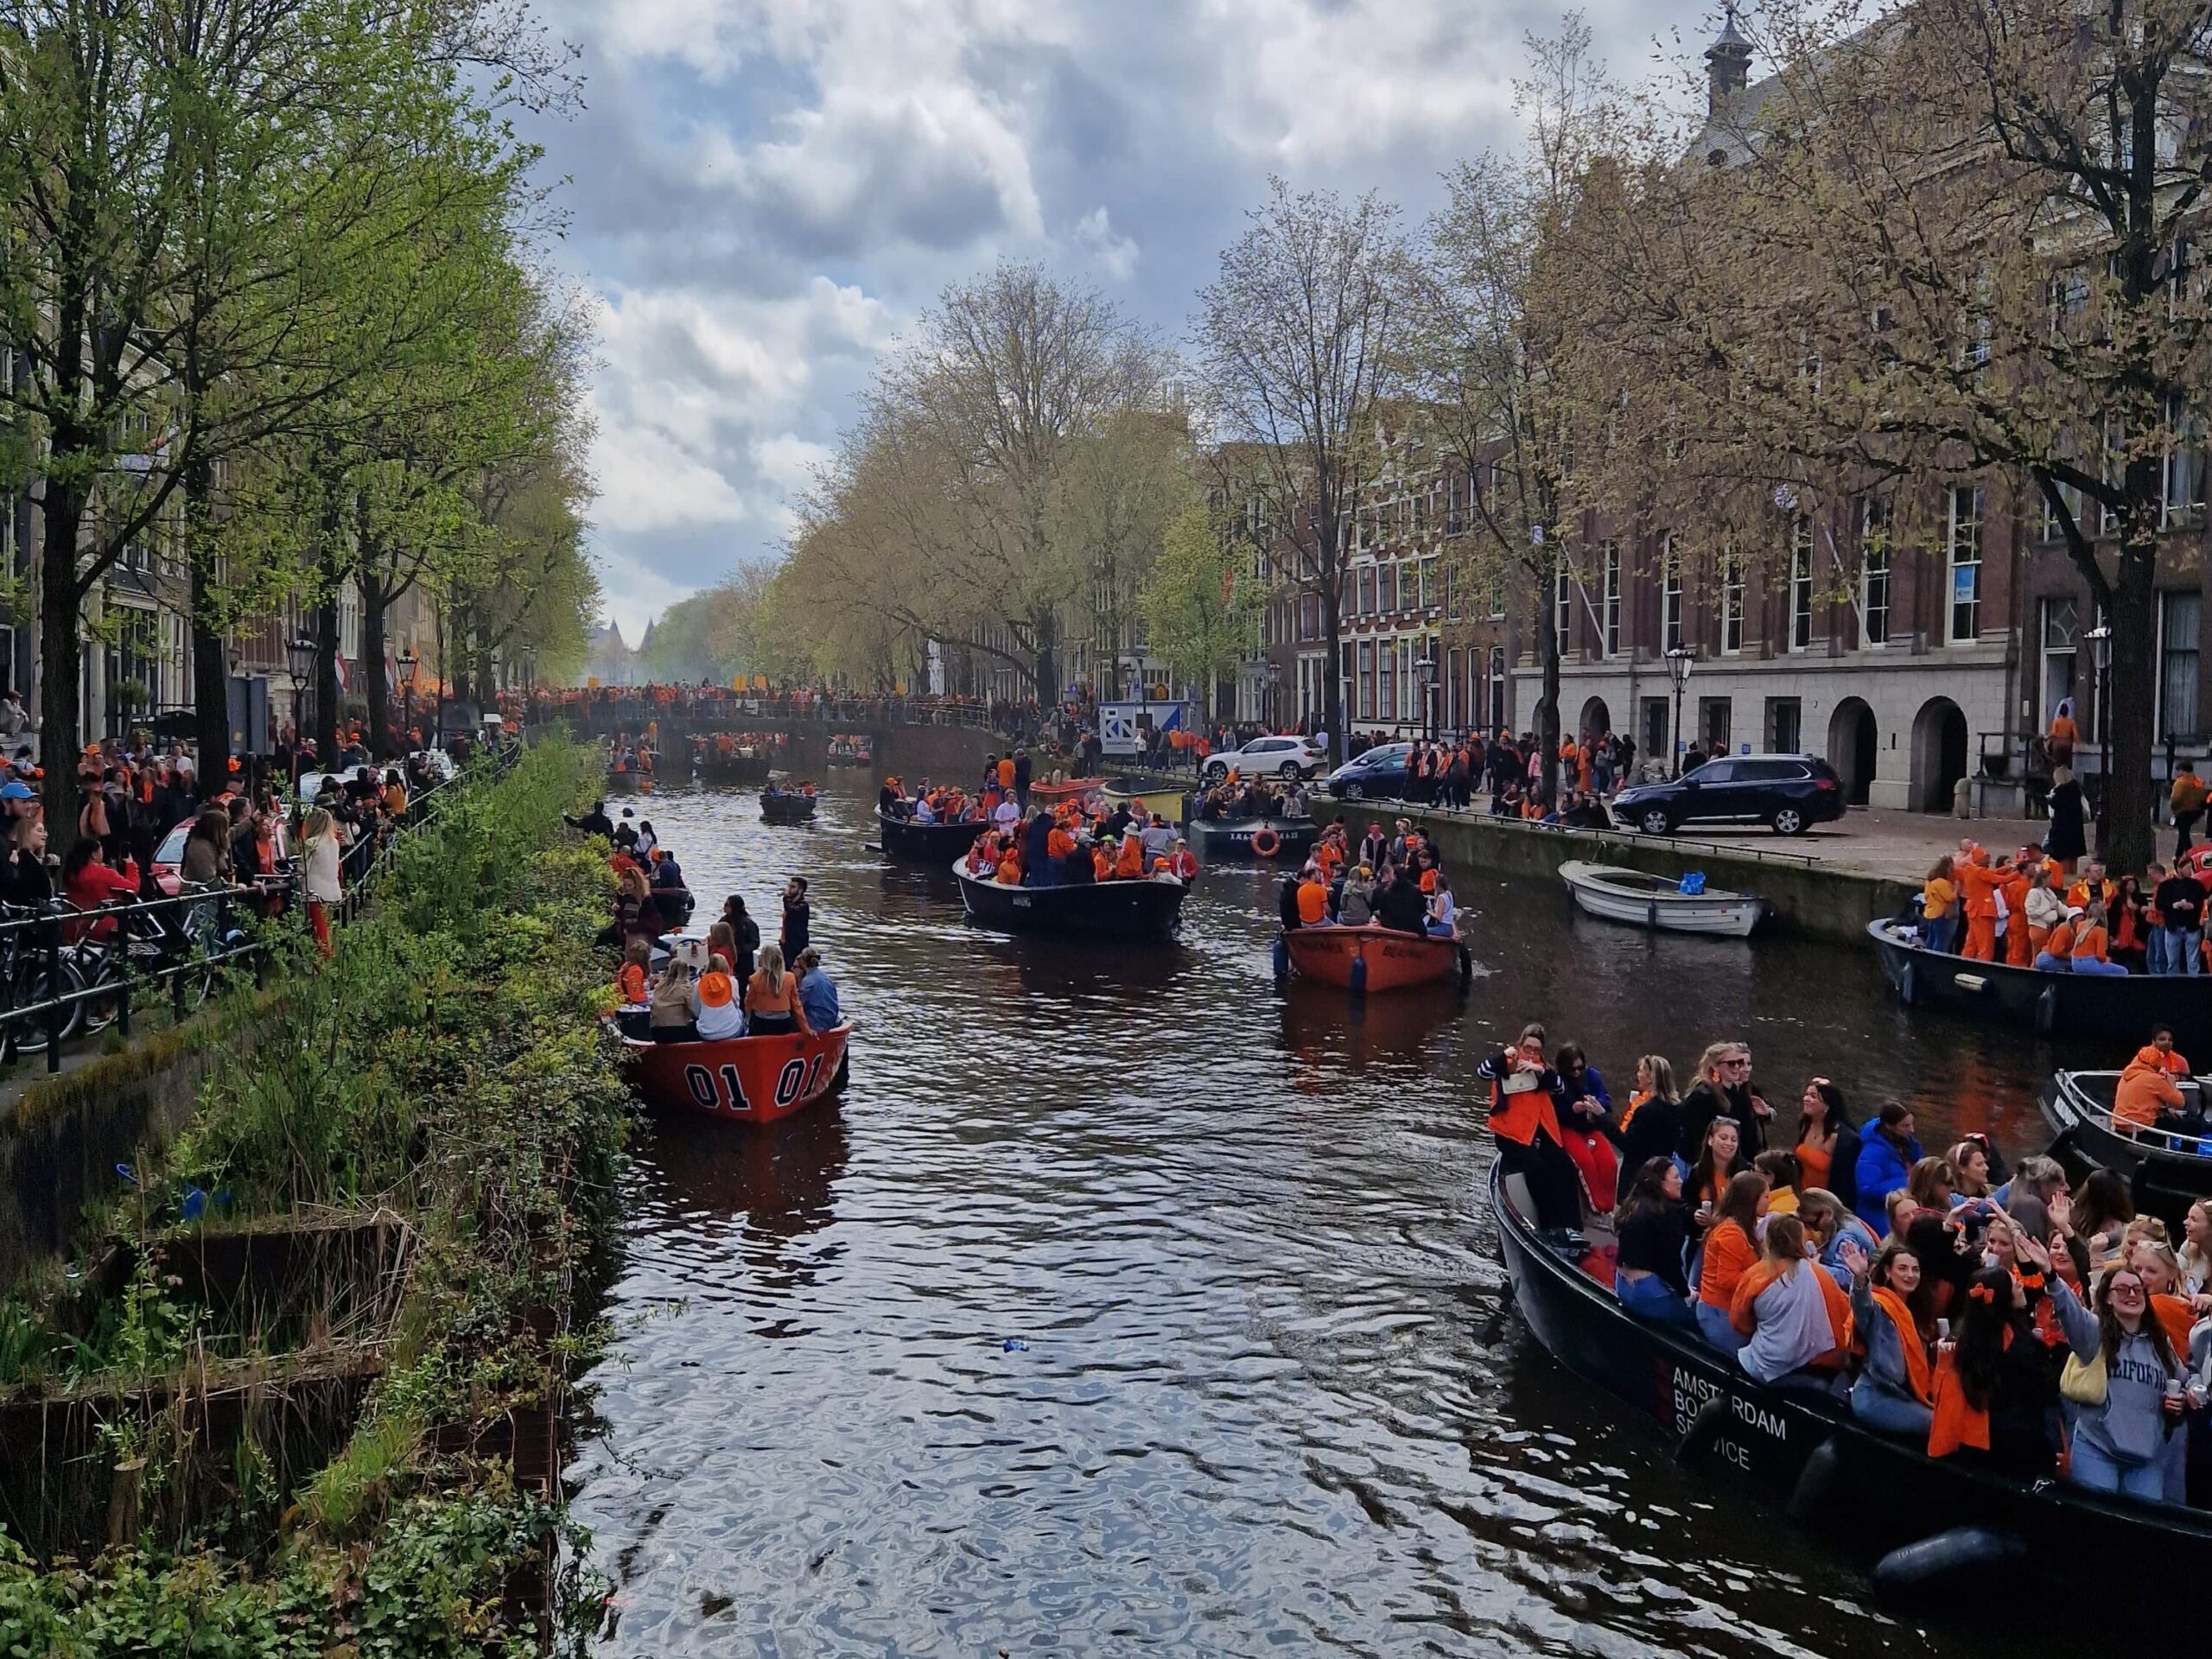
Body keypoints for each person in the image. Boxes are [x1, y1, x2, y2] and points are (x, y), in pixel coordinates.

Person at [2056, 1256, 2186, 1501]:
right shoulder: (2094, 1332)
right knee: (2097, 1525)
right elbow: (2070, 1312)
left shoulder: (2159, 1343)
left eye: (2138, 1290)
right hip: (2097, 1449)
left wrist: (2182, 1399)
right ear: (2107, 1297)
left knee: (2141, 1531)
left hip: (2146, 1460)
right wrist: (2051, 1278)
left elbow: (2184, 1379)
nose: (2132, 1295)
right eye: (2122, 1289)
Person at [1475, 1024, 1583, 1234]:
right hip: (1511, 1134)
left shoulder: (1543, 1069)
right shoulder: (1507, 1062)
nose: (1532, 1054)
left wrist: (1540, 1071)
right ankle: (1549, 1226)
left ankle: (1572, 1227)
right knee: (1538, 1170)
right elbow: (1482, 1071)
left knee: (1565, 1166)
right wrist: (1504, 1056)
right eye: (1528, 1048)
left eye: (1536, 1050)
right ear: (1520, 1044)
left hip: (1537, 1132)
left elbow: (1560, 1088)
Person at [1732, 1213, 1851, 1389]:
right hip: (1810, 1368)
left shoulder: (1755, 1275)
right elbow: (1844, 1321)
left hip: (1761, 1365)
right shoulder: (1821, 1276)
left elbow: (1739, 1322)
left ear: (1768, 1240)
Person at [1694, 1170, 1770, 1354]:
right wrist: (1765, 1276)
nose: (1769, 1200)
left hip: (1731, 1311)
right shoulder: (1731, 1233)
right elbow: (1727, 1279)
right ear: (1751, 1199)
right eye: (1766, 1196)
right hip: (1719, 1314)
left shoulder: (1745, 1227)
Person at [1614, 1157, 1695, 1325]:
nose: (1680, 1181)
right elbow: (1669, 1265)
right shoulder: (1665, 1214)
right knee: (1700, 1316)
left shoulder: (1633, 1204)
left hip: (1623, 1286)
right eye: (1675, 1177)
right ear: (1661, 1183)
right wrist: (1687, 1293)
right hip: (1646, 1294)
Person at [1677, 1041, 1772, 1159]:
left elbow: (1747, 1134)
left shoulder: (1739, 1093)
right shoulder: (1701, 1096)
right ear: (1715, 1067)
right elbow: (1692, 1138)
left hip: (1736, 1163)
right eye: (1731, 1063)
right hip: (1705, 1164)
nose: (1738, 1067)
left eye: (1739, 1062)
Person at [1611, 1055, 1683, 1205]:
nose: (1638, 1074)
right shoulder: (1676, 1108)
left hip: (1639, 1177)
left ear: (1650, 1077)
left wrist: (1603, 1120)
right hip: (1662, 1174)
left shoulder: (1646, 1110)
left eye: (1641, 1071)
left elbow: (1628, 1144)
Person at [1853, 1102, 1924, 1233]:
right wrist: (1909, 1181)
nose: (1912, 1130)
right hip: (1878, 1218)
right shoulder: (1872, 1153)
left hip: (1901, 1212)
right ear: (1889, 1126)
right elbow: (1866, 1189)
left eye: (1912, 1123)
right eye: (1905, 1125)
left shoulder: (1907, 1144)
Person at [1793, 1078, 1860, 1218]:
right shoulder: (1805, 1126)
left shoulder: (1844, 1139)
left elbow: (1847, 1184)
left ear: (1827, 1105)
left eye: (1813, 1096)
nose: (1806, 1099)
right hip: (1801, 1198)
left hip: (1826, 1207)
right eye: (1806, 1094)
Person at [2113, 1040, 2188, 1134]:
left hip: (2120, 1125)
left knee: (2166, 1118)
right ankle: (2187, 1148)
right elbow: (2180, 1103)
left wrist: (2166, 1109)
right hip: (2141, 1128)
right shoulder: (2155, 1079)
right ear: (2156, 1065)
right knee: (2191, 1125)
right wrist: (2172, 1084)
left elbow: (2142, 1102)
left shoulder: (2127, 1075)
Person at [745, 943, 815, 1038]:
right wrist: (807, 1029)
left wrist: (746, 1019)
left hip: (760, 1023)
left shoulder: (754, 979)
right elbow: (797, 1007)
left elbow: (748, 1003)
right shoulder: (790, 978)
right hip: (783, 1024)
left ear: (764, 960)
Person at [299, 806, 341, 957]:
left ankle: (323, 963)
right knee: (326, 927)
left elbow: (302, 868)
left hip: (314, 891)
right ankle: (328, 959)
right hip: (331, 890)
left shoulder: (311, 843)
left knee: (318, 930)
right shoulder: (333, 842)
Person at [1688, 1117, 1749, 1211]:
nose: (1729, 1143)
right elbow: (1686, 1204)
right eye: (1723, 1138)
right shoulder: (1698, 1172)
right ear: (1710, 1140)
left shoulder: (1746, 1172)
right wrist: (1694, 1214)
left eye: (1734, 1140)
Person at [2154, 865, 2203, 976]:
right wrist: (2172, 905)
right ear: (2179, 869)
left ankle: (2194, 987)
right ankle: (2173, 988)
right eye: (2188, 868)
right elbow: (2158, 904)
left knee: (2193, 963)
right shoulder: (2166, 886)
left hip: (2192, 926)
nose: (2191, 871)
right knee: (2172, 962)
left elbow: (2202, 901)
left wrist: (2193, 906)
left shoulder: (2197, 885)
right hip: (2173, 926)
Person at [691, 954, 745, 1040]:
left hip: (706, 1033)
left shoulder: (699, 984)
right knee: (740, 1013)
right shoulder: (732, 981)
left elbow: (695, 1010)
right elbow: (737, 1005)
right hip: (731, 1031)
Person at [2045, 766, 2088, 874]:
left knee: (2062, 855)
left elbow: (2055, 808)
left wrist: (2050, 800)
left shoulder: (2059, 791)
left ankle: (2063, 875)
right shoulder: (2076, 790)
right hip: (2075, 828)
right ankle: (2072, 873)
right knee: (2074, 855)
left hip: (2062, 828)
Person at [648, 958, 698, 1044]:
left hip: (656, 1032)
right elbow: (695, 1011)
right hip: (677, 1032)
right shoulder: (685, 989)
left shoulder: (658, 987)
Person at [794, 945, 841, 1031]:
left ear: (803, 961)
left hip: (816, 1023)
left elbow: (797, 1005)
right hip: (830, 1020)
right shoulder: (826, 978)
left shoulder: (807, 981)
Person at [1919, 855, 1958, 954]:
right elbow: (1950, 898)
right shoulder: (1941, 882)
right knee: (1940, 940)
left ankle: (1928, 956)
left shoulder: (1930, 881)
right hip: (1940, 913)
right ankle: (1937, 957)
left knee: (1931, 937)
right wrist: (1957, 889)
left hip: (1931, 913)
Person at [721, 895, 761, 986]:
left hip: (744, 960)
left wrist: (740, 950)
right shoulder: (724, 921)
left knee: (742, 984)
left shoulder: (748, 924)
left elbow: (755, 942)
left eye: (727, 905)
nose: (724, 907)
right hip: (728, 957)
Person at [2175, 758, 2208, 856]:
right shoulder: (2198, 781)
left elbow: (2176, 798)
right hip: (2196, 811)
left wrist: (2175, 808)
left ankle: (2190, 853)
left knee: (2184, 834)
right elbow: (2202, 795)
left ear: (2182, 770)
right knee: (2183, 833)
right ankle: (2178, 853)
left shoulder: (2181, 782)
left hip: (2183, 810)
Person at [780, 876, 811, 959]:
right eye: (789, 886)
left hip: (796, 945)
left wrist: (786, 897)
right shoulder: (791, 904)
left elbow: (792, 911)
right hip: (786, 943)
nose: (789, 889)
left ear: (800, 890)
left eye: (793, 887)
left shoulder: (803, 905)